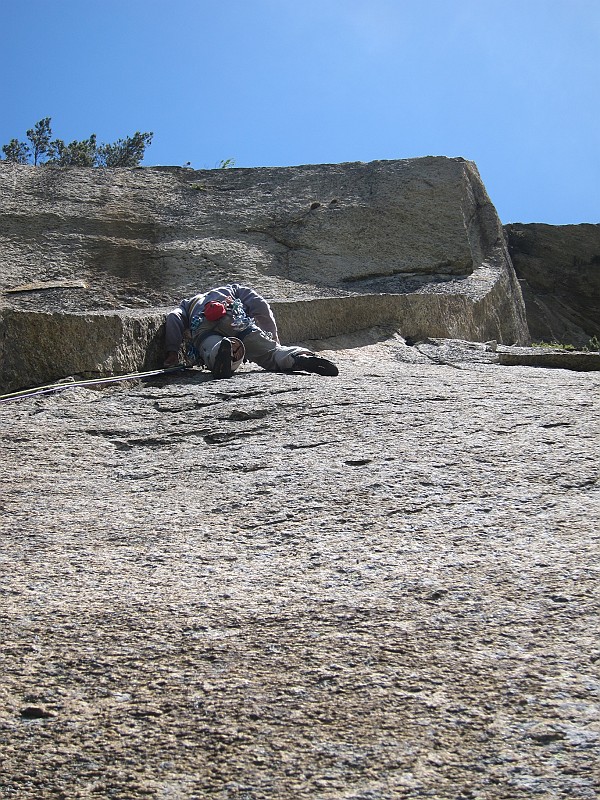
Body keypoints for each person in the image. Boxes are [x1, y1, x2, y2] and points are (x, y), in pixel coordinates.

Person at [164, 284, 338, 379]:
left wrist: (172, 352)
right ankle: (298, 357)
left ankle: (223, 352)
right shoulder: (232, 289)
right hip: (233, 315)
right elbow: (260, 305)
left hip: (201, 321)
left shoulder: (187, 304)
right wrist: (273, 336)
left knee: (210, 348)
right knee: (272, 353)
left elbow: (174, 318)